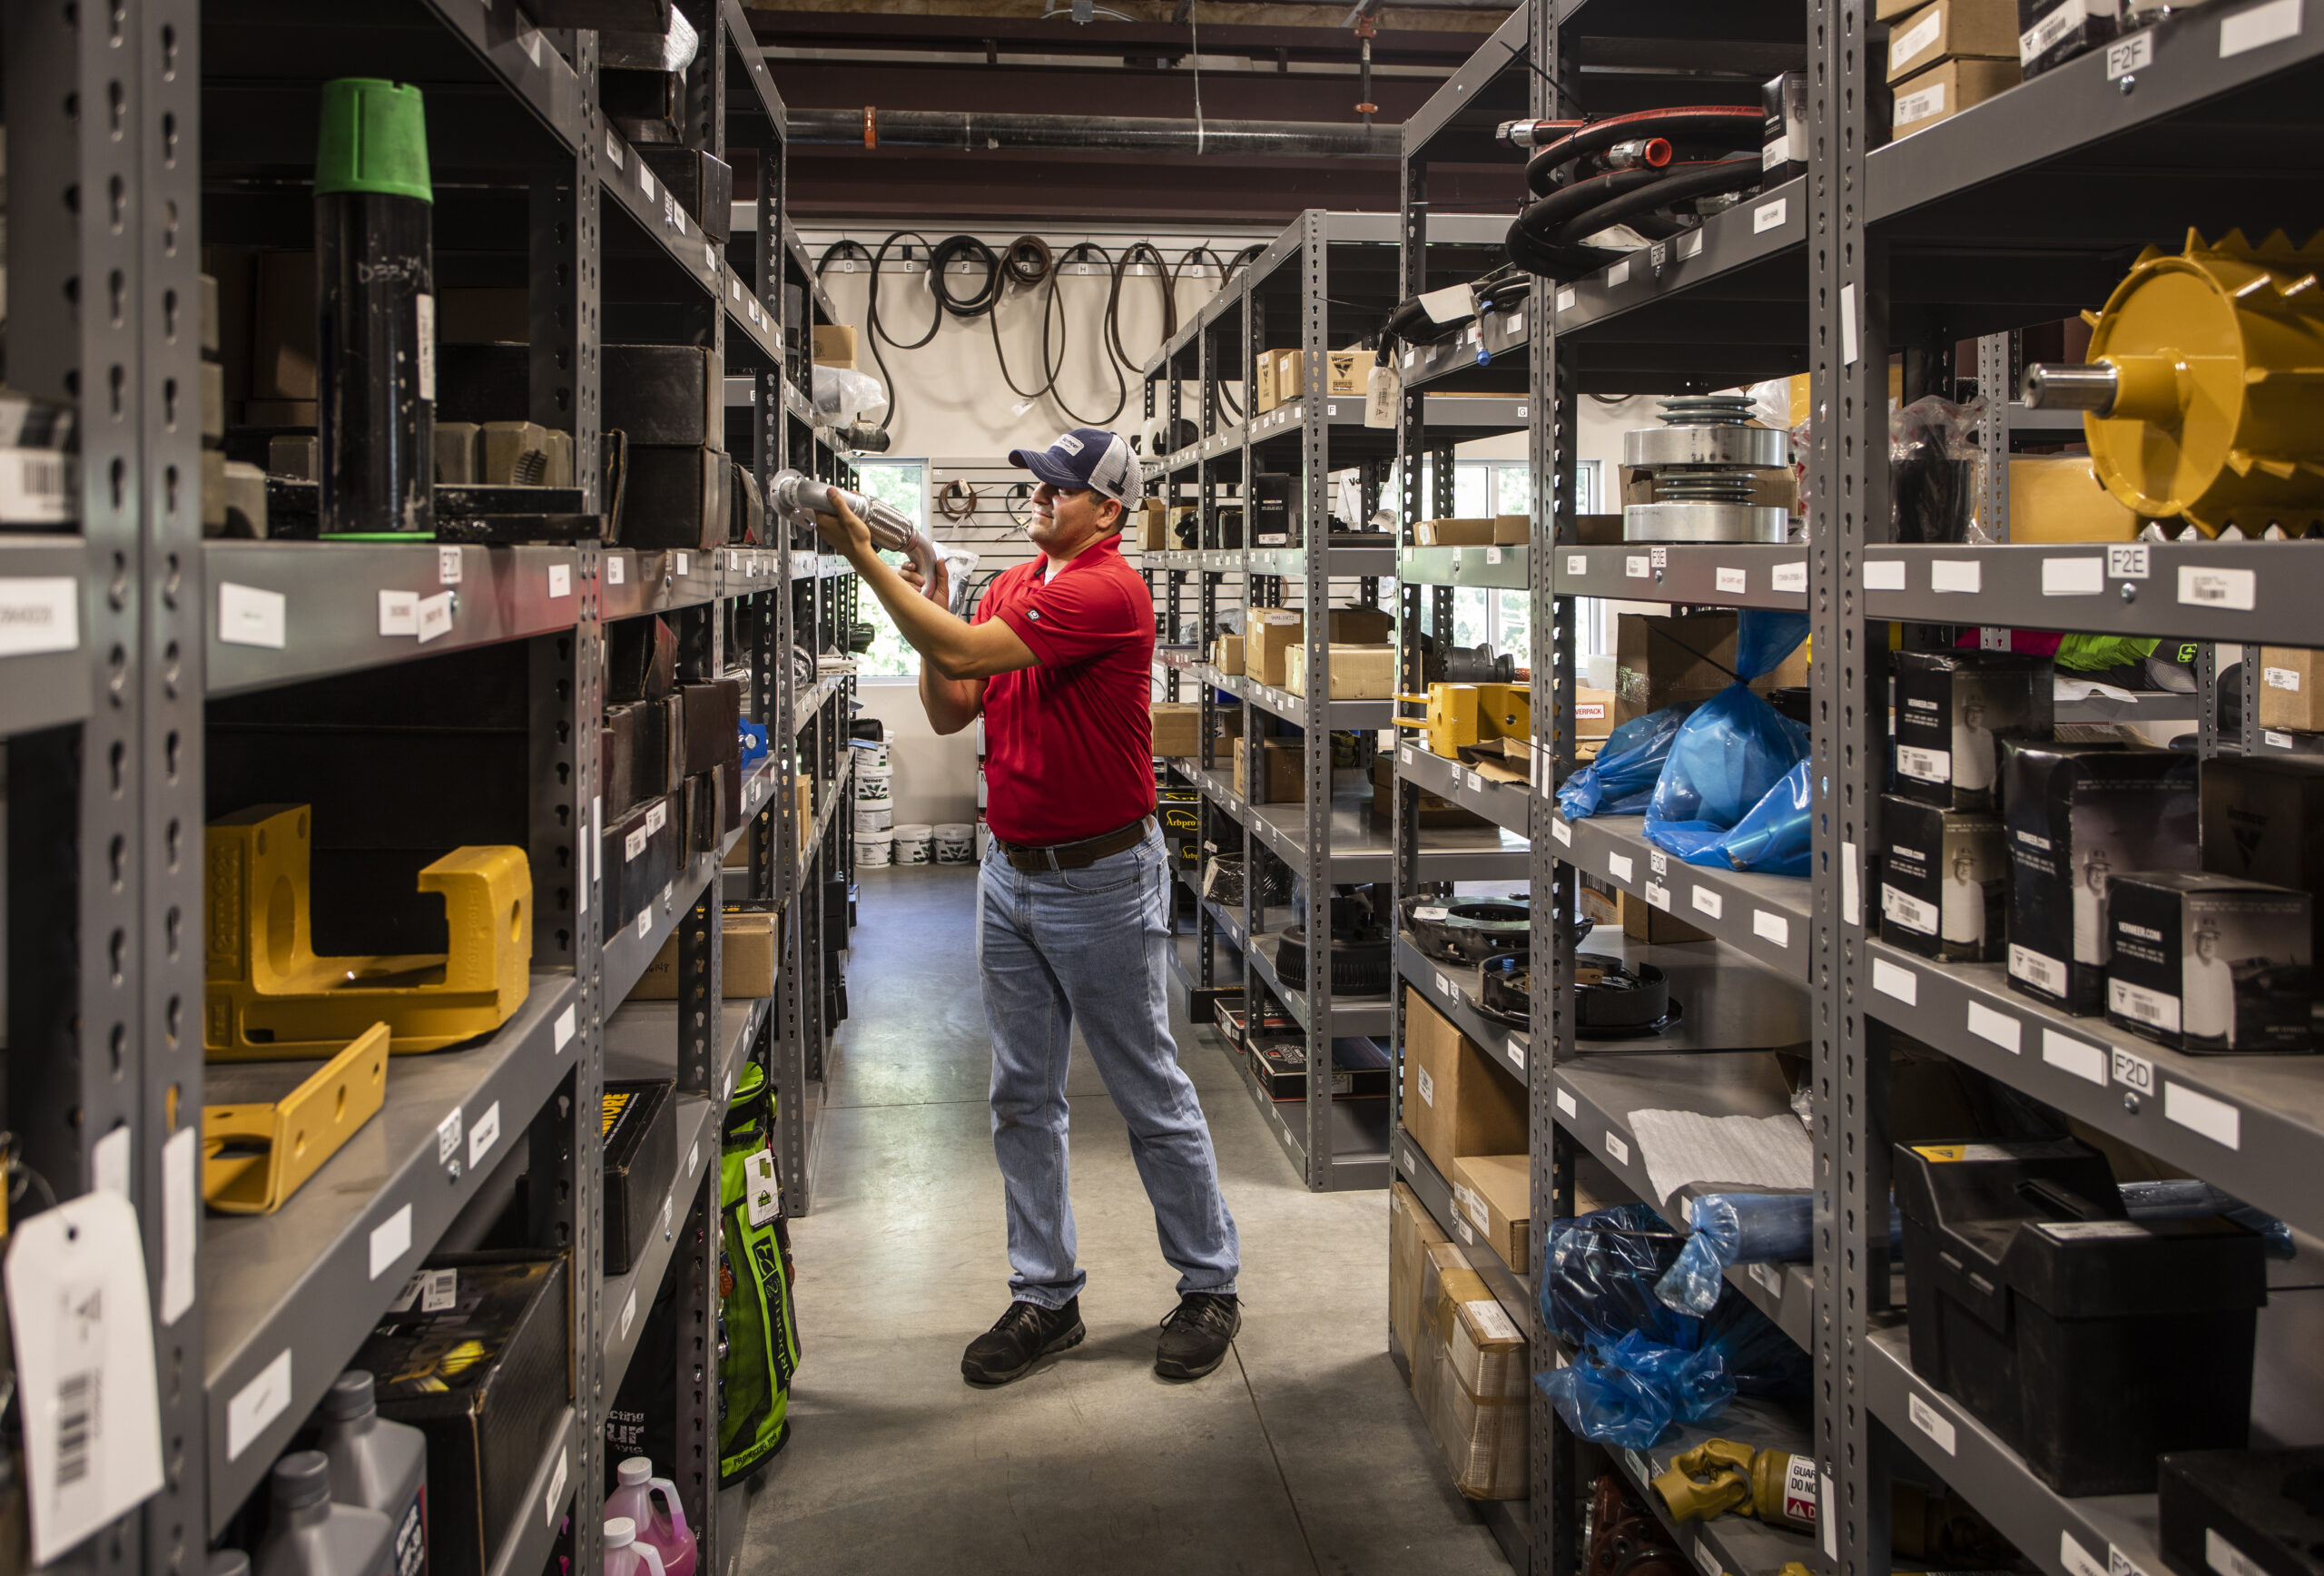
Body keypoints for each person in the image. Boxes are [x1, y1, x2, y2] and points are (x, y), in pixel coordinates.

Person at [811, 428, 1242, 1387]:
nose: (1039, 494)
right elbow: (952, 701)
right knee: (1019, 1093)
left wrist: (866, 561)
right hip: (1008, 873)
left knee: (1146, 1090)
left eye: (1060, 484)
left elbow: (958, 646)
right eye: (1037, 482)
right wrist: (925, 592)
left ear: (1109, 510)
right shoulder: (1013, 584)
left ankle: (1209, 1280)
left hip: (1101, 877)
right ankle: (1046, 1293)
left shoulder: (1106, 592)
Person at [2183, 921, 2235, 1049]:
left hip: (2220, 1041)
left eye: (2213, 938)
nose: (2209, 943)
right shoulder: (2183, 966)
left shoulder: (2223, 968)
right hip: (2191, 1041)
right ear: (2195, 939)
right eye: (2204, 938)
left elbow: (2229, 1006)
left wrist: (2231, 1039)